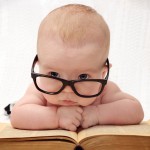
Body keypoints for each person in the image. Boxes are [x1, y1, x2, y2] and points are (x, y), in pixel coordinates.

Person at [10, 4, 144, 131]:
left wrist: (97, 114)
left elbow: (135, 110)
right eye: (54, 74)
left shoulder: (105, 90)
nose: (68, 90)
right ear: (39, 66)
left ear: (102, 74)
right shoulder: (39, 90)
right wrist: (56, 116)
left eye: (83, 76)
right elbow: (17, 116)